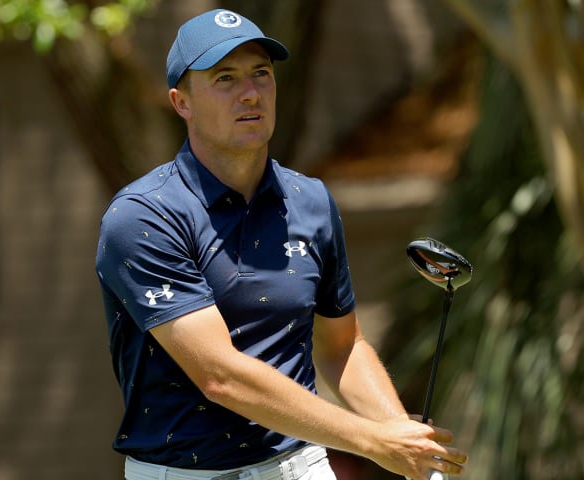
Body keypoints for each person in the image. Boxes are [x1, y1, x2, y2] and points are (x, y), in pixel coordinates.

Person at [95, 8, 468, 480]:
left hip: (301, 465)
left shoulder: (309, 201)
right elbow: (221, 377)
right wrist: (374, 441)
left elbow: (341, 347)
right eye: (224, 78)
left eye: (261, 74)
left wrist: (403, 440)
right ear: (181, 101)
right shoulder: (144, 217)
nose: (250, 93)